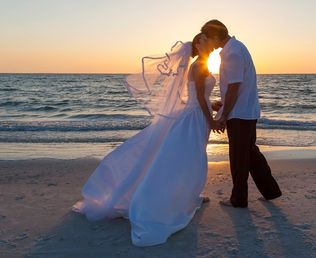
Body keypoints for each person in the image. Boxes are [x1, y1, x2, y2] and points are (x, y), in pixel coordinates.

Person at [73, 33, 221, 246]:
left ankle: (191, 195)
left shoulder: (203, 64)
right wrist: (213, 120)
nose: (211, 42)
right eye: (207, 39)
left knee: (193, 155)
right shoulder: (198, 66)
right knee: (191, 157)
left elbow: (202, 96)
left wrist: (212, 104)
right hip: (196, 117)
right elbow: (197, 97)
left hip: (199, 113)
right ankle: (166, 200)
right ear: (198, 43)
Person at [201, 19, 282, 208]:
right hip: (246, 110)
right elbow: (234, 87)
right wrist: (222, 107)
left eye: (208, 38)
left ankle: (238, 199)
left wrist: (223, 115)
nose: (209, 44)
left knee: (239, 157)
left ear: (214, 36)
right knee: (250, 153)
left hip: (240, 113)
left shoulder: (233, 53)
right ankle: (271, 191)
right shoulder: (236, 48)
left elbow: (234, 88)